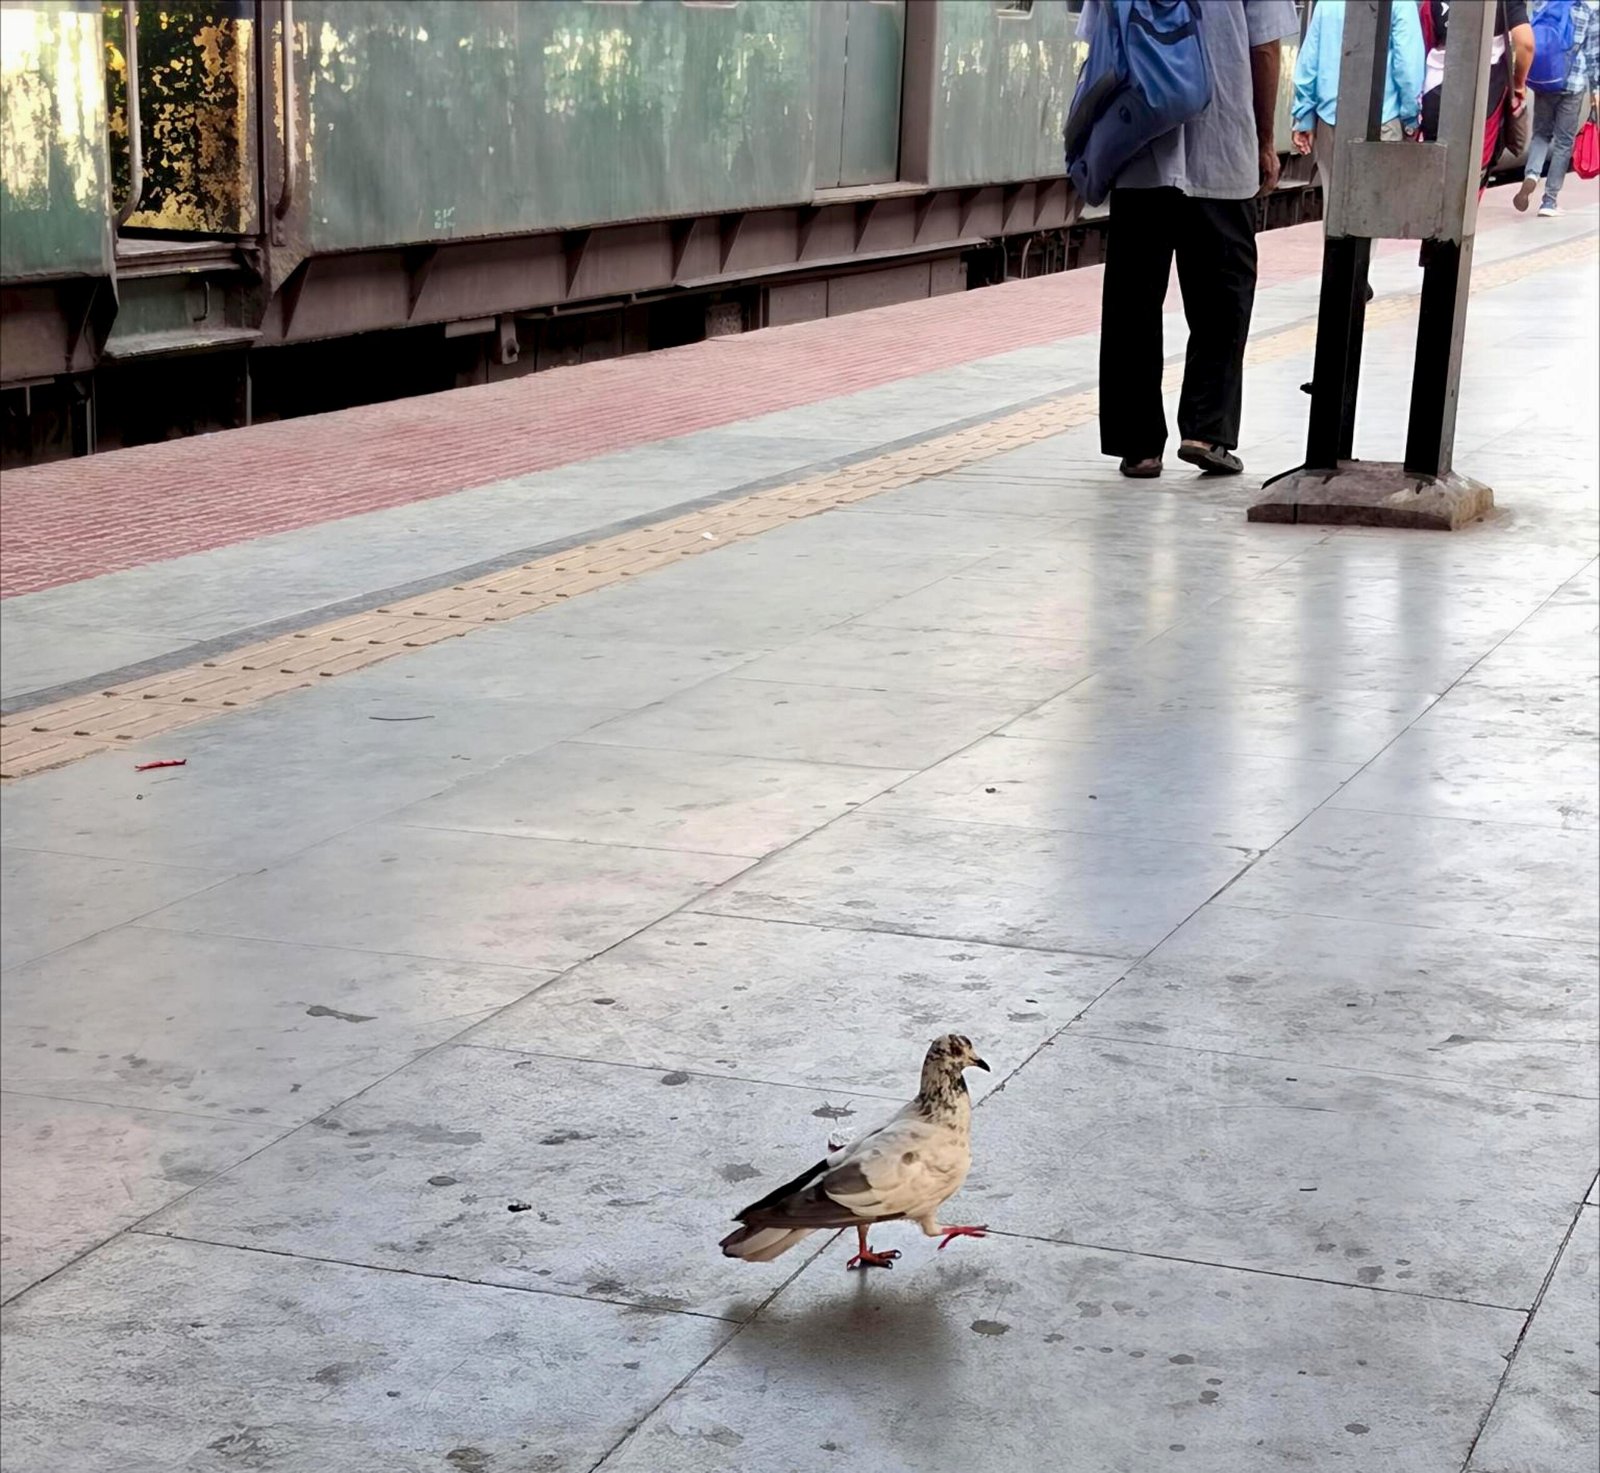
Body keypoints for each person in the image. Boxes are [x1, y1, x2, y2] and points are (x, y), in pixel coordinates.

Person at [1092, 0, 1302, 480]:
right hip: (1221, 149)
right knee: (1222, 300)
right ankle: (1206, 432)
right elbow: (1264, 48)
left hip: (1139, 151)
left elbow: (1101, 41)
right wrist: (1264, 140)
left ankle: (1139, 446)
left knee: (1133, 301)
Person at [1292, 0, 1426, 196]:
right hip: (1382, 122)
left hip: (1331, 122)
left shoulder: (1327, 3)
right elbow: (1408, 69)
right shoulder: (1401, 4)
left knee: (1334, 201)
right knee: (1379, 204)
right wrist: (1410, 120)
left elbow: (1308, 62)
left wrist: (1304, 117)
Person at [1419, 1, 1535, 185]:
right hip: (1485, 95)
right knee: (1471, 176)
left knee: (1431, 171)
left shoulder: (1430, 4)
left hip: (1435, 93)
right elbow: (1526, 43)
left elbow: (1425, 40)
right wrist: (1519, 83)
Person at [1516, 0, 1600, 216]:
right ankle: (1549, 202)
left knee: (1541, 134)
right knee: (1563, 142)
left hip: (1546, 79)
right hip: (1574, 84)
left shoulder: (1544, 2)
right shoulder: (1589, 7)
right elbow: (1592, 54)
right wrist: (1595, 90)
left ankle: (1532, 174)